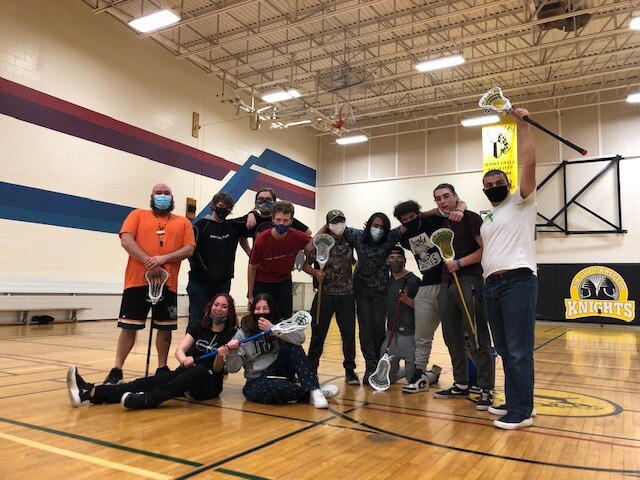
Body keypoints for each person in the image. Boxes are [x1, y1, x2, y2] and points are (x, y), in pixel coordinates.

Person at [68, 294, 237, 409]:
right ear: (211, 306)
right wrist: (184, 359)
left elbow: (216, 370)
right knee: (145, 382)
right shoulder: (199, 326)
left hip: (207, 386)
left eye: (224, 307)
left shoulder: (230, 335)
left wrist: (220, 356)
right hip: (186, 373)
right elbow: (179, 350)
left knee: (199, 370)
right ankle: (90, 392)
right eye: (216, 304)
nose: (219, 309)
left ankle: (149, 399)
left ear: (229, 312)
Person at [481, 108, 538, 430]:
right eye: (488, 184)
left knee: (518, 351)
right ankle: (515, 401)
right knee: (503, 349)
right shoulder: (489, 216)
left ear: (509, 183)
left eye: (498, 182)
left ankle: (523, 411)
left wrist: (522, 126)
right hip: (493, 286)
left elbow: (529, 163)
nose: (493, 186)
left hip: (518, 282)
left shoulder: (521, 201)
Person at [104, 183, 195, 386]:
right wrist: (148, 260)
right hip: (137, 282)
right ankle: (117, 369)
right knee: (129, 327)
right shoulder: (137, 215)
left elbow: (189, 249)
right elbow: (126, 240)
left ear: (173, 199)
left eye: (166, 194)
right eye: (159, 193)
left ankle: (161, 367)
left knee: (165, 328)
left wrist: (163, 259)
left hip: (167, 283)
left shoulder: (183, 222)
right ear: (151, 196)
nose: (162, 196)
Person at [431, 184, 495, 410]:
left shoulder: (470, 218)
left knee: (477, 335)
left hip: (469, 280)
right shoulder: (442, 222)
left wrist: (460, 263)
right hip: (446, 283)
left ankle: (486, 387)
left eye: (447, 196)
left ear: (456, 197)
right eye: (438, 198)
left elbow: (485, 248)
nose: (442, 201)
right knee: (451, 335)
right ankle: (461, 383)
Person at [225, 293, 340, 408]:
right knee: (277, 389)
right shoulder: (242, 333)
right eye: (258, 309)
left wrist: (274, 330)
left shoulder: (278, 324)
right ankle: (310, 391)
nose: (261, 312)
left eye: (265, 308)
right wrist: (233, 352)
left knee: (293, 347)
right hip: (258, 379)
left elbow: (300, 339)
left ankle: (314, 390)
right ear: (252, 310)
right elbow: (232, 368)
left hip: (279, 369)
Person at [342, 213, 402, 385]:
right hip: (361, 289)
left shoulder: (389, 238)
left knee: (378, 326)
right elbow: (335, 225)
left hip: (381, 290)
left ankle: (379, 363)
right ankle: (370, 364)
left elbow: (408, 223)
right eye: (375, 225)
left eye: (382, 227)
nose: (378, 229)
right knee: (365, 327)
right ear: (369, 225)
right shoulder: (358, 236)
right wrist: (312, 241)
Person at [393, 200, 446, 394]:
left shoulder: (433, 221)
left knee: (458, 335)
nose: (409, 221)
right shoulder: (406, 237)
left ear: (419, 214)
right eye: (405, 219)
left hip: (446, 282)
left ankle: (467, 379)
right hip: (427, 284)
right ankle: (419, 375)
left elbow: (450, 209)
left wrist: (427, 213)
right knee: (422, 337)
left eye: (412, 217)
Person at [304, 209, 358, 385]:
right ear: (328, 224)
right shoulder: (321, 243)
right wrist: (314, 272)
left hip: (347, 295)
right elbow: (306, 258)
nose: (338, 225)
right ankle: (311, 368)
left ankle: (350, 371)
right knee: (318, 333)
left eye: (341, 221)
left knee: (348, 334)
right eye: (334, 222)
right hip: (324, 295)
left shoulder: (350, 240)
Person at [187, 192, 251, 329]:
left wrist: (252, 214)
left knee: (220, 319)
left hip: (223, 283)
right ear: (214, 205)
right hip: (199, 283)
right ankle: (192, 350)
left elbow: (255, 219)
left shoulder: (233, 226)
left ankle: (218, 348)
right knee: (197, 319)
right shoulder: (200, 225)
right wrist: (205, 271)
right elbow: (191, 253)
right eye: (221, 206)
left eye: (228, 208)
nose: (224, 209)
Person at [380, 246, 441, 387]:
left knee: (413, 380)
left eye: (399, 258)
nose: (395, 261)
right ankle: (401, 371)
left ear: (404, 260)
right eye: (392, 258)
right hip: (391, 335)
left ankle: (433, 374)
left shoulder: (414, 281)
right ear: (387, 261)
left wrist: (408, 300)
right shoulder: (386, 281)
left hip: (410, 336)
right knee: (387, 380)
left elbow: (424, 309)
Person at [247, 201, 312, 318]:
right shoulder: (262, 239)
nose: (281, 223)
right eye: (278, 220)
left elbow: (315, 241)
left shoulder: (297, 236)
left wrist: (307, 250)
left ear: (291, 221)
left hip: (284, 282)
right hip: (263, 282)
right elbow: (252, 267)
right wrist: (250, 295)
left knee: (284, 319)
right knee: (261, 318)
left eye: (286, 220)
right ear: (272, 219)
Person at [243, 188, 312, 240]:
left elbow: (308, 232)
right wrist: (249, 252)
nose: (264, 202)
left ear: (274, 201)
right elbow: (241, 235)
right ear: (256, 202)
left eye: (268, 199)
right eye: (261, 199)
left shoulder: (283, 219)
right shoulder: (253, 219)